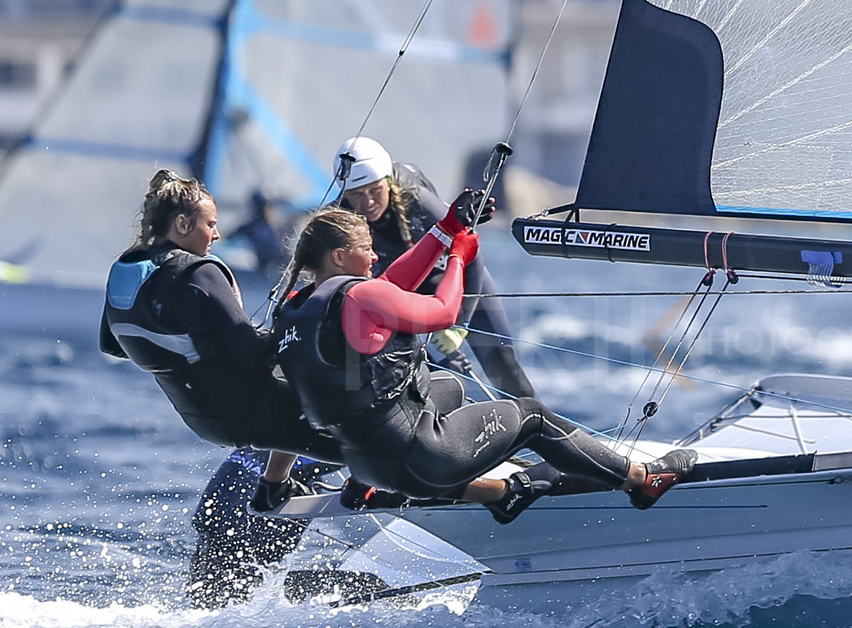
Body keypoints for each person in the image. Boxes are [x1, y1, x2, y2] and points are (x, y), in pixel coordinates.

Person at [273, 205, 695, 519]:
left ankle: (486, 494)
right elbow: (444, 311)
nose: (375, 257)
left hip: (368, 464)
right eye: (366, 249)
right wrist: (458, 257)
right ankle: (642, 479)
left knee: (448, 387)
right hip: (419, 459)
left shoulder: (296, 308)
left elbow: (392, 283)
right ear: (341, 257)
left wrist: (445, 230)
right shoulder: (360, 295)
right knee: (531, 417)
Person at [99, 170, 340, 514]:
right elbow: (256, 357)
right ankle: (387, 481)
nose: (217, 233)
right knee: (362, 437)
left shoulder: (126, 268)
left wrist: (188, 344)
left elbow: (112, 344)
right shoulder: (200, 273)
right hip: (251, 411)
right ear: (182, 225)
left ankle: (276, 486)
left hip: (203, 418)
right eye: (210, 224)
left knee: (304, 391)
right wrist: (299, 323)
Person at [334, 137, 535, 400]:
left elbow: (470, 254)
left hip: (456, 281)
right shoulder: (340, 217)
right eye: (357, 195)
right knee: (440, 374)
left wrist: (459, 325)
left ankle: (548, 433)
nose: (368, 201)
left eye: (375, 190)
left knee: (503, 367)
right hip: (401, 294)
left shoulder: (417, 199)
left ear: (389, 182)